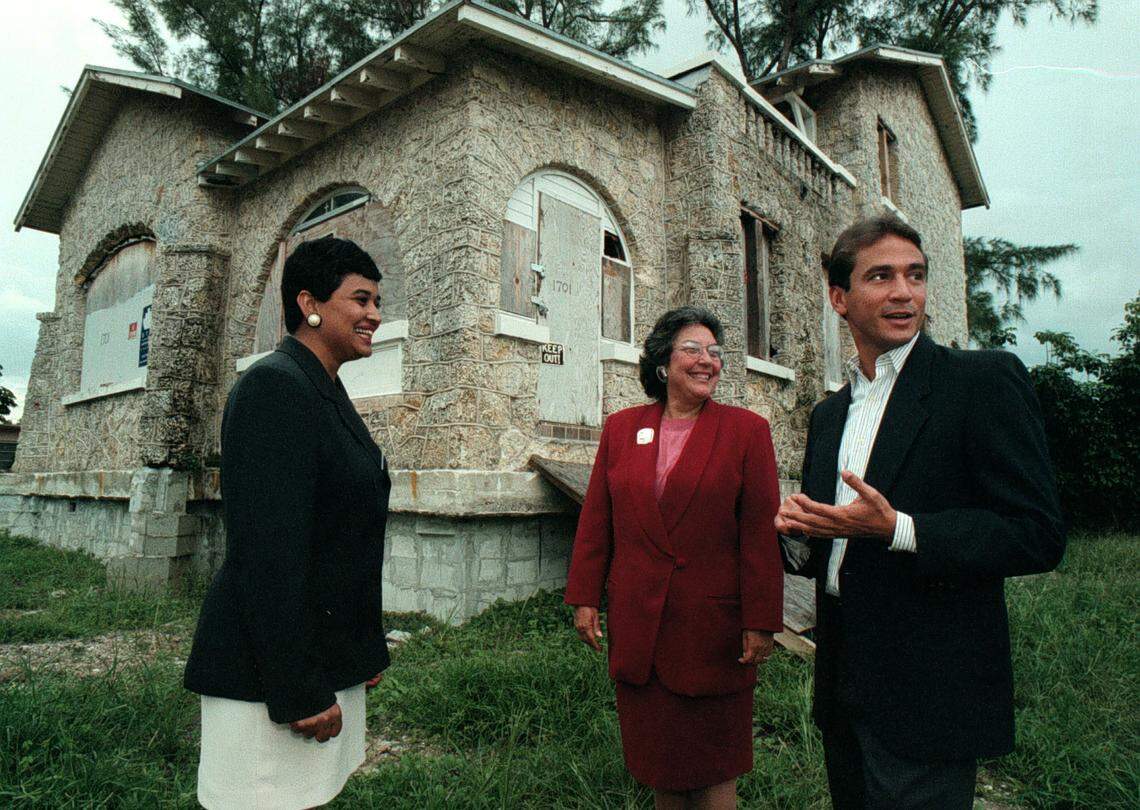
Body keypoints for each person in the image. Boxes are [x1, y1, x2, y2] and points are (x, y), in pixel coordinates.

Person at [776, 216, 1065, 809]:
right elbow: (831, 550)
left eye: (915, 275)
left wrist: (900, 529)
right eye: (880, 276)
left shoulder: (979, 382)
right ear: (839, 298)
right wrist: (800, 535)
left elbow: (1036, 534)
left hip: (932, 687)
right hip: (844, 680)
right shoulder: (827, 416)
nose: (904, 293)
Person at [184, 236, 392, 809]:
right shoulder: (274, 388)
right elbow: (267, 554)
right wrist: (300, 687)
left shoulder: (323, 387)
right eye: (362, 298)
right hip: (268, 674)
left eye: (378, 300)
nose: (376, 314)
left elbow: (341, 539)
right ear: (309, 303)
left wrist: (359, 653)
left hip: (322, 654)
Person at [565, 306, 784, 810]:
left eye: (715, 352)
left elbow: (758, 536)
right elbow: (598, 520)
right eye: (693, 349)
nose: (707, 361)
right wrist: (584, 597)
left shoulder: (746, 431)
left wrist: (761, 619)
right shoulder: (622, 429)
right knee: (661, 763)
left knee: (714, 769)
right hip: (641, 626)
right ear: (663, 363)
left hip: (713, 630)